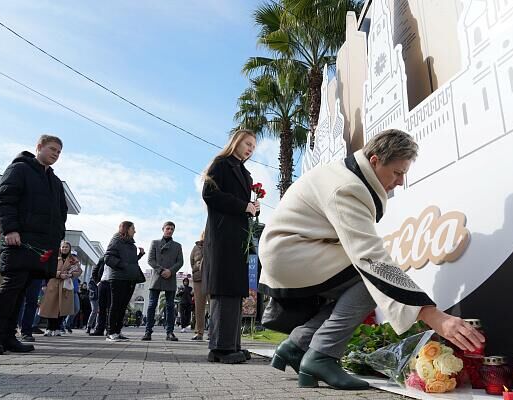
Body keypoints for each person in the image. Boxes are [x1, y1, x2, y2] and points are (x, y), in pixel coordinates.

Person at [258, 129, 485, 390]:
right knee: (371, 279)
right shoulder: (348, 187)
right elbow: (370, 258)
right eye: (397, 173)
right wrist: (432, 315)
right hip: (291, 253)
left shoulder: (348, 176)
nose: (400, 182)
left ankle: (297, 346)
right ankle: (321, 355)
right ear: (375, 161)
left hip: (292, 251)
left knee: (366, 281)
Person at [0, 135, 67, 355]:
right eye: (52, 149)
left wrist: (57, 236)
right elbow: (5, 200)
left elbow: (61, 213)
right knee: (11, 286)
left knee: (22, 291)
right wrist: (10, 229)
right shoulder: (19, 170)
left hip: (42, 246)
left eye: (59, 152)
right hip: (19, 240)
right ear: (39, 147)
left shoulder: (55, 181)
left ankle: (9, 336)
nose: (56, 154)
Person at [202, 129, 260, 364]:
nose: (250, 149)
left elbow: (243, 205)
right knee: (224, 287)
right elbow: (210, 195)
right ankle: (220, 348)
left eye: (253, 146)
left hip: (239, 237)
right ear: (236, 142)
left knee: (235, 290)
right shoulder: (221, 164)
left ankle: (232, 344)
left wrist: (253, 207)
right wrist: (242, 205)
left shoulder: (245, 174)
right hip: (222, 235)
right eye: (247, 143)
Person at [141, 221, 183, 341]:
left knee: (170, 306)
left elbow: (180, 262)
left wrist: (170, 271)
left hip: (170, 277)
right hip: (157, 277)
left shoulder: (177, 246)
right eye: (168, 228)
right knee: (152, 305)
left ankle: (170, 332)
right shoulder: (155, 243)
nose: (170, 231)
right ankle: (148, 331)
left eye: (172, 229)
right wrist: (161, 270)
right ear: (163, 229)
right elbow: (150, 260)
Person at [104, 221, 145, 342]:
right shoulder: (116, 240)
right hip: (118, 278)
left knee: (123, 306)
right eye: (133, 228)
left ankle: (117, 331)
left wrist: (139, 256)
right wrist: (123, 265)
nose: (135, 231)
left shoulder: (131, 245)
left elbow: (130, 261)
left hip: (129, 278)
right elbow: (108, 258)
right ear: (126, 229)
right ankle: (110, 332)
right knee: (115, 305)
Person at [38, 241, 81, 336]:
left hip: (66, 286)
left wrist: (70, 274)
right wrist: (58, 275)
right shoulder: (54, 258)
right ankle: (49, 328)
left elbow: (78, 271)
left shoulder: (73, 259)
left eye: (67, 247)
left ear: (70, 249)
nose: (65, 248)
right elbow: (47, 270)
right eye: (63, 247)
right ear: (60, 248)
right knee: (51, 307)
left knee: (63, 308)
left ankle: (57, 328)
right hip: (53, 285)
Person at [189, 232, 207, 340]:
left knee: (214, 307)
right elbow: (192, 261)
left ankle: (212, 334)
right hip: (198, 279)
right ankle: (199, 332)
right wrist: (197, 269)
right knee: (199, 307)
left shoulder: (213, 244)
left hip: (211, 278)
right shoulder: (195, 248)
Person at [89, 258, 110, 336]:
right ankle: (99, 329)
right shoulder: (103, 259)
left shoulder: (119, 258)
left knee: (110, 308)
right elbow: (95, 271)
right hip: (103, 284)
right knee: (101, 308)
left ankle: (109, 329)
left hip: (113, 284)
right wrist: (98, 282)